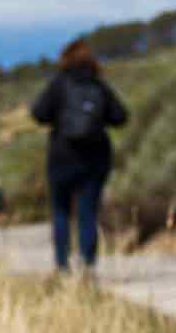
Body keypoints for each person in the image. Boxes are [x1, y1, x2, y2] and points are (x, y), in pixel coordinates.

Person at [29, 37, 130, 273]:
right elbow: (121, 116)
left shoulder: (59, 84)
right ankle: (88, 265)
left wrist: (60, 118)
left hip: (61, 157)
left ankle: (62, 266)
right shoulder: (99, 86)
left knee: (61, 211)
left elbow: (38, 113)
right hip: (94, 159)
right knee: (88, 213)